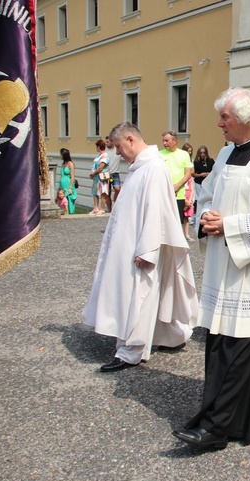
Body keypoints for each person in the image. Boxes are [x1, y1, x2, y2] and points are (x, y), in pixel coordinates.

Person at [173, 88, 250, 450]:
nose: (219, 123)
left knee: (241, 346)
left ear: (244, 120)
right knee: (225, 339)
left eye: (224, 117)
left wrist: (228, 226)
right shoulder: (226, 153)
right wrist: (208, 217)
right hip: (224, 264)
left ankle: (217, 428)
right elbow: (207, 192)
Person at [83, 121, 198, 372]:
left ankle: (131, 351)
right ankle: (172, 335)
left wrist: (147, 250)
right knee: (144, 294)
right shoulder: (139, 167)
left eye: (119, 147)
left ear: (130, 139)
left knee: (140, 295)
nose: (118, 153)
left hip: (143, 247)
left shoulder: (153, 167)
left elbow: (156, 211)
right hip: (129, 244)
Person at [160, 131, 193, 237]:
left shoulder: (184, 154)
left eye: (167, 141)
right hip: (163, 193)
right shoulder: (159, 154)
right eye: (163, 141)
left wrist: (177, 186)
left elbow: (188, 173)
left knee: (177, 222)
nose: (164, 143)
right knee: (163, 221)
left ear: (175, 141)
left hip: (179, 194)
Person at [89, 139, 111, 215]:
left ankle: (102, 209)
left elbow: (100, 167)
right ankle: (95, 208)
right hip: (96, 177)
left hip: (102, 177)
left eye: (96, 146)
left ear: (99, 147)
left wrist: (93, 173)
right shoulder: (99, 155)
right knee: (94, 192)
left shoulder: (105, 156)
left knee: (103, 192)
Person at [192, 145, 214, 216]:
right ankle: (198, 214)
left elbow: (214, 171)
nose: (202, 154)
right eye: (201, 153)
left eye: (204, 153)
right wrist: (201, 174)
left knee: (208, 199)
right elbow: (193, 174)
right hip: (199, 183)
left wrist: (209, 174)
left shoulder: (211, 161)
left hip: (208, 183)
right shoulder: (196, 162)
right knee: (199, 199)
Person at [105, 135, 122, 206]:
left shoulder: (117, 149)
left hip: (115, 173)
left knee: (117, 189)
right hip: (106, 174)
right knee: (107, 193)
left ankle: (116, 206)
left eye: (107, 142)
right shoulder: (105, 151)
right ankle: (110, 211)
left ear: (112, 141)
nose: (106, 143)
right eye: (105, 142)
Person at [58, 148, 77, 214]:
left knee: (69, 200)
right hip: (62, 185)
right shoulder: (63, 164)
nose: (60, 156)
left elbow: (72, 176)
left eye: (61, 154)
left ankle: (70, 213)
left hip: (68, 184)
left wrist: (70, 187)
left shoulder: (70, 164)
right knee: (62, 200)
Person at [183, 175, 195, 242]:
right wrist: (185, 201)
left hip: (188, 199)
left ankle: (187, 235)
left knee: (186, 218)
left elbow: (192, 189)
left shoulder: (189, 177)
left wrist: (189, 201)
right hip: (182, 198)